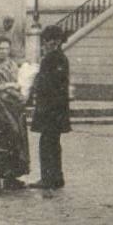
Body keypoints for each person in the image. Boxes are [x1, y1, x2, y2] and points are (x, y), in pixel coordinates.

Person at [0, 36, 31, 192]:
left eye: (7, 48)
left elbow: (19, 83)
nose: (4, 51)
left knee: (13, 142)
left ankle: (11, 177)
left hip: (12, 109)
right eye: (1, 48)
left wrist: (18, 89)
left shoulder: (12, 64)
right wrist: (10, 85)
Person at [29, 25, 71, 190]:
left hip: (49, 109)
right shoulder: (61, 58)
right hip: (58, 109)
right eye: (45, 40)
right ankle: (57, 177)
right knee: (53, 143)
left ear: (57, 41)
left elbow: (48, 84)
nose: (46, 43)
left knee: (46, 144)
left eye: (49, 40)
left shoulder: (51, 59)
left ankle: (47, 178)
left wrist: (36, 84)